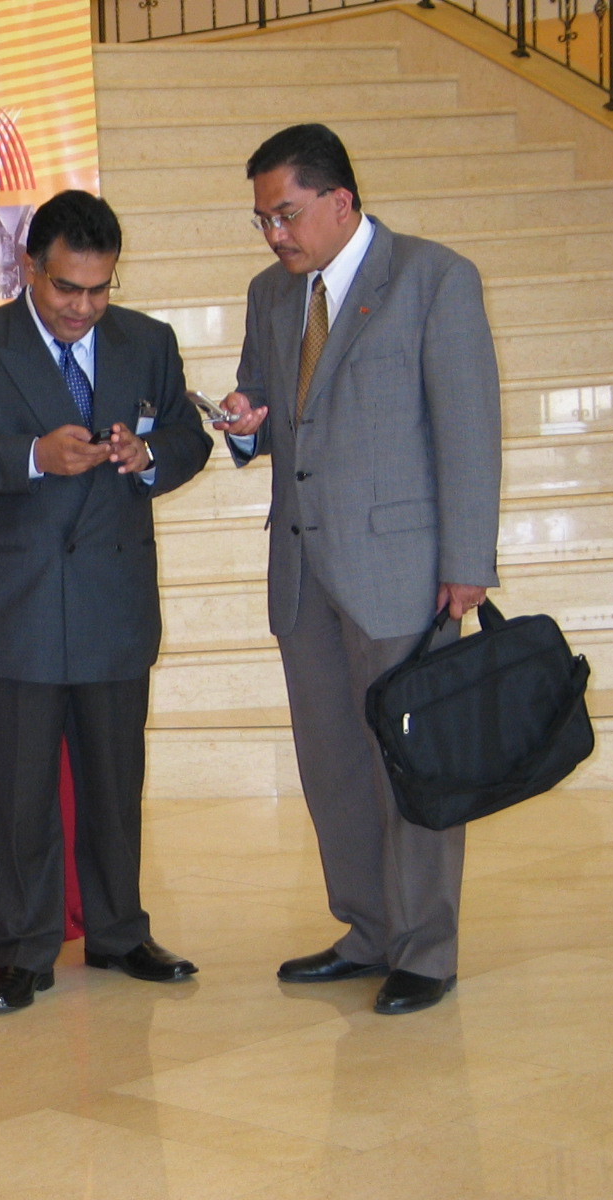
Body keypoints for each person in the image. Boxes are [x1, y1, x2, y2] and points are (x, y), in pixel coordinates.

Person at [216, 124, 502, 1015]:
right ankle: (368, 929)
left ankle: (425, 949)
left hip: (403, 572)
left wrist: (467, 562)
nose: (275, 235)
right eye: (263, 221)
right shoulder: (271, 293)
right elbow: (270, 404)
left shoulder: (432, 278)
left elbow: (468, 427)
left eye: (287, 215)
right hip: (304, 570)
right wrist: (246, 420)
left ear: (340, 200)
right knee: (333, 763)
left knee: (410, 765)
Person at [0, 189, 212, 1014]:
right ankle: (22, 951)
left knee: (115, 786)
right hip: (16, 606)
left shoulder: (148, 342)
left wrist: (149, 456)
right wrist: (31, 458)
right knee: (16, 794)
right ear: (28, 269)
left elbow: (188, 439)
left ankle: (119, 933)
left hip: (114, 599)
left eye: (100, 289)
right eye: (66, 288)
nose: (83, 307)